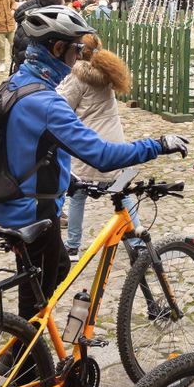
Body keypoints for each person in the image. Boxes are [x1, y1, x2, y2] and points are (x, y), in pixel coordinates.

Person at [0, 5, 180, 351]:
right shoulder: (47, 102)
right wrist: (158, 144)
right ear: (57, 48)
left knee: (57, 271)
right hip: (34, 212)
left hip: (15, 200)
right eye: (75, 49)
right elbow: (101, 155)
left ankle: (22, 351)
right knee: (34, 307)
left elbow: (30, 147)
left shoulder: (19, 84)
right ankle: (26, 371)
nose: (78, 56)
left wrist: (68, 181)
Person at [55, 34, 139, 255]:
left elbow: (60, 106)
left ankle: (73, 245)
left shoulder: (78, 77)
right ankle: (138, 243)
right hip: (115, 144)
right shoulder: (107, 72)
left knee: (77, 196)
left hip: (90, 145)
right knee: (122, 192)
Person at [9, 0, 66, 76]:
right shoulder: (35, 24)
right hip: (29, 76)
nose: (64, 8)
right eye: (62, 5)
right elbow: (26, 56)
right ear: (53, 7)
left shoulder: (30, 17)